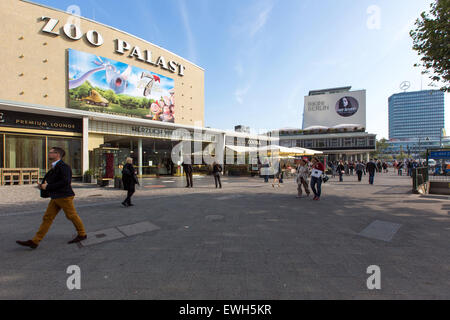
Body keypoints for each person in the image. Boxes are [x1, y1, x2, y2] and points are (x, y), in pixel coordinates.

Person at [16, 147, 87, 249]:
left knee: (71, 215)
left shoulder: (64, 166)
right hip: (56, 196)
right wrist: (42, 186)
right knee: (47, 218)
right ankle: (35, 241)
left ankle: (82, 234)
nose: (48, 154)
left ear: (57, 154)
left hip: (64, 196)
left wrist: (48, 187)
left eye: (51, 152)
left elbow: (66, 181)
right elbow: (54, 180)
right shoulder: (54, 167)